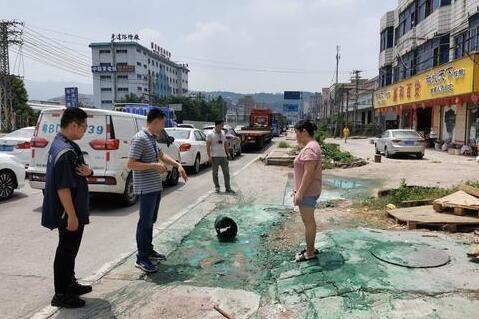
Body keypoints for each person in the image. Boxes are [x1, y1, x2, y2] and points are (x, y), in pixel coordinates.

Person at [42, 107, 93, 308]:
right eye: (84, 127)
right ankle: (61, 294)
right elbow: (63, 188)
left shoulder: (64, 145)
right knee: (65, 250)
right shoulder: (64, 151)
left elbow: (80, 170)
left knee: (70, 250)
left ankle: (70, 283)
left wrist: (88, 171)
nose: (85, 131)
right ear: (73, 125)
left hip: (72, 209)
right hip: (67, 211)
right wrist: (71, 216)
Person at [127, 108, 188, 273]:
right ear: (154, 122)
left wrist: (177, 164)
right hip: (145, 188)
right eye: (162, 123)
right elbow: (131, 164)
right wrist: (153, 166)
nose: (163, 127)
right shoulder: (139, 139)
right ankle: (141, 258)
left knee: (150, 222)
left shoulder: (151, 139)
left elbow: (162, 156)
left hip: (154, 187)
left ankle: (149, 250)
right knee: (144, 223)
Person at [293, 120, 323, 262]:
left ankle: (310, 253)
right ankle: (310, 248)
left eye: (297, 133)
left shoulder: (310, 148)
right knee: (309, 222)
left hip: (308, 192)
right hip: (310, 191)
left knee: (309, 222)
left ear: (304, 131)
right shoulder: (312, 146)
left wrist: (300, 193)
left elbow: (308, 173)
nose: (296, 136)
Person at [206, 120, 235, 194]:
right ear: (217, 125)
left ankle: (228, 188)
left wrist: (228, 153)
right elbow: (208, 146)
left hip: (223, 156)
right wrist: (209, 156)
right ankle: (217, 187)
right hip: (215, 156)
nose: (222, 127)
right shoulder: (210, 134)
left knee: (226, 173)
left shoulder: (223, 132)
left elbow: (225, 143)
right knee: (215, 173)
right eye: (221, 125)